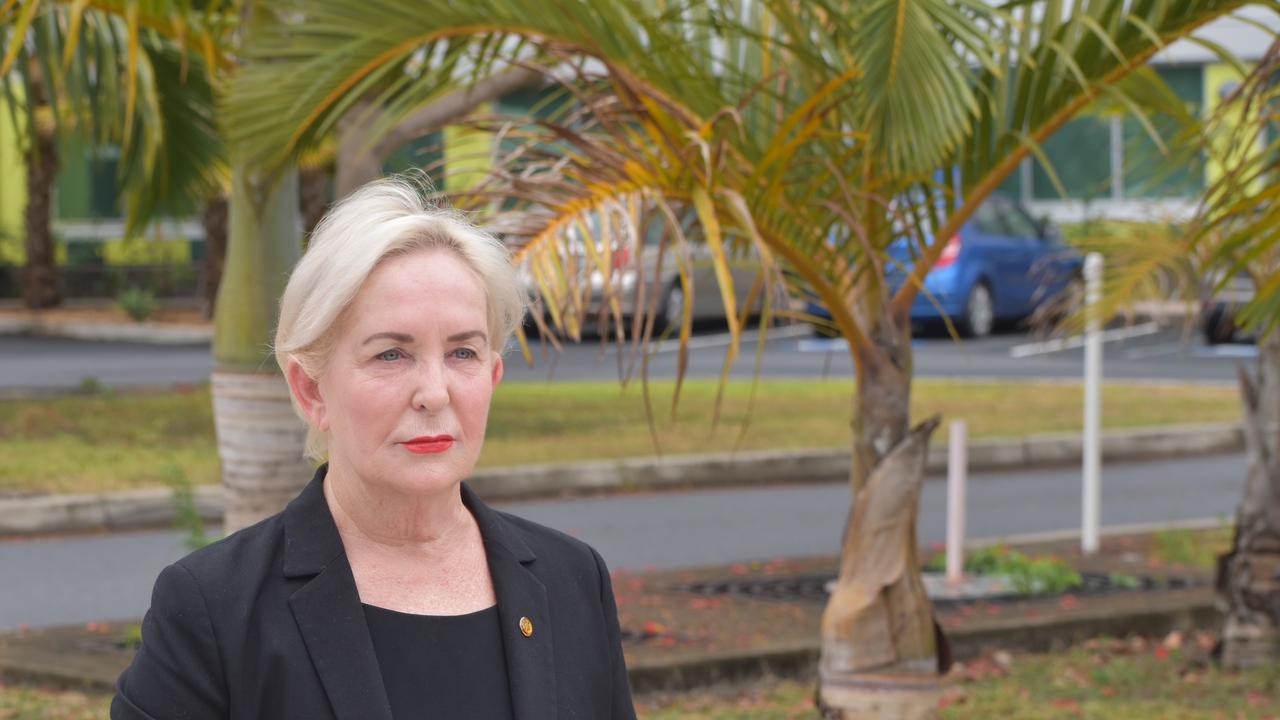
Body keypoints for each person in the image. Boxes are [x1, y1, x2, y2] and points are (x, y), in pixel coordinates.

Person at [112, 177, 637, 719]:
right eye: (391, 354)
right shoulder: (212, 608)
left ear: (494, 375)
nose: (434, 393)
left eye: (462, 353)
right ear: (311, 389)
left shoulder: (572, 579)